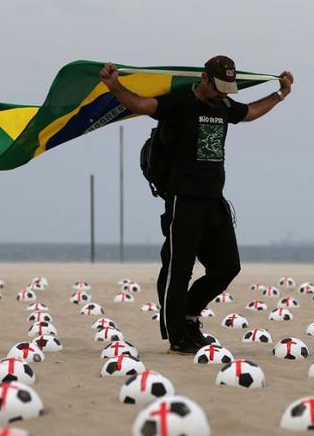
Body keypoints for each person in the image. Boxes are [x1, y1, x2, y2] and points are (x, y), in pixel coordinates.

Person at [100, 56, 294, 354]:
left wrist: (280, 94)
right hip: (182, 200)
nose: (223, 94)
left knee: (227, 267)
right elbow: (140, 105)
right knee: (179, 269)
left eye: (228, 89)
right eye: (219, 88)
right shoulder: (178, 103)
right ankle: (178, 336)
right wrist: (114, 86)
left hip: (214, 201)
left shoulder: (224, 106)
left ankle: (189, 316)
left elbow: (251, 112)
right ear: (204, 79)